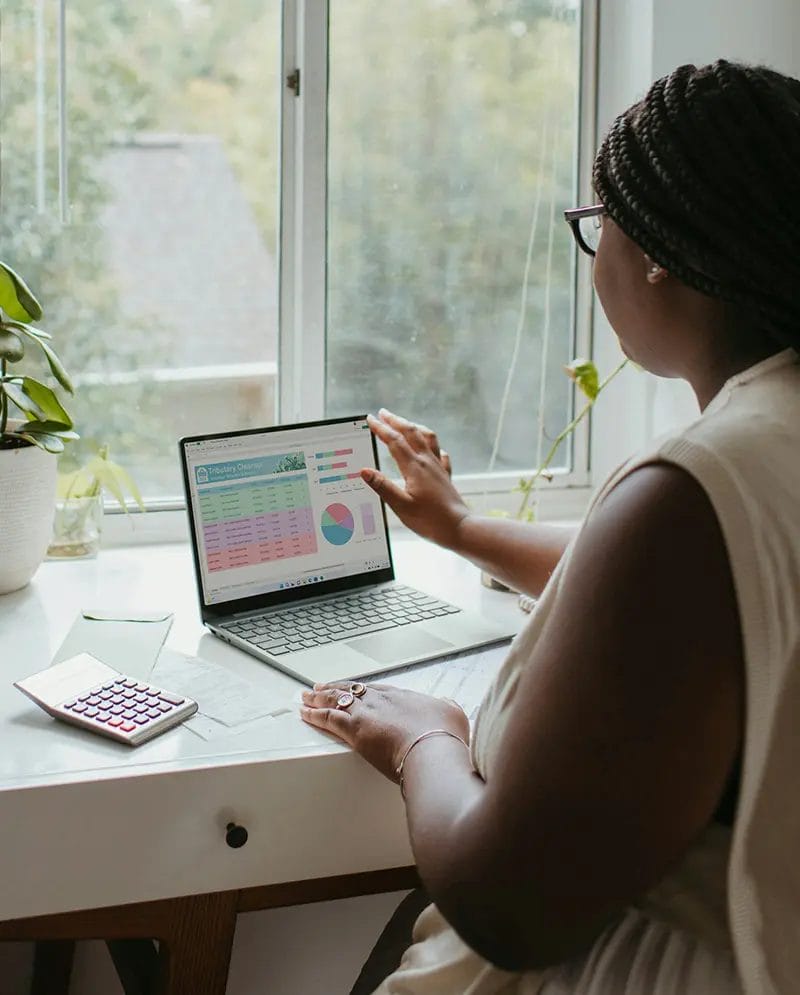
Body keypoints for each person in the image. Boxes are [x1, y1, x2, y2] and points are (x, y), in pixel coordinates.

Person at [300, 60, 800, 994]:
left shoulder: (695, 485)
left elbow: (508, 903)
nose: (595, 251)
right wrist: (463, 527)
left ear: (654, 249)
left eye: (595, 224)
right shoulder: (763, 453)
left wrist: (422, 740)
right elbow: (717, 595)